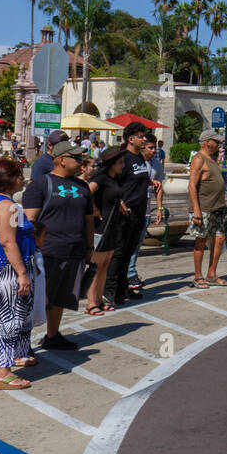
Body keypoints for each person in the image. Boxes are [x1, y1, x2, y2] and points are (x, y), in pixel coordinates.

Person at [22, 141, 94, 350]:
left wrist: (89, 248)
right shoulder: (41, 184)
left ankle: (52, 335)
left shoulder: (82, 186)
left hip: (74, 250)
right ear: (61, 160)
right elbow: (30, 221)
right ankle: (23, 341)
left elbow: (88, 220)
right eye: (76, 157)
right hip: (47, 252)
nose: (81, 162)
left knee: (61, 298)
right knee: (38, 299)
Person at [0, 159, 38, 390]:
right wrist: (22, 273)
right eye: (19, 175)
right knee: (9, 319)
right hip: (8, 268)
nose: (22, 178)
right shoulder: (9, 206)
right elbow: (8, 241)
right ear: (10, 179)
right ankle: (3, 372)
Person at [105, 122, 154, 305]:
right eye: (141, 136)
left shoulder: (140, 158)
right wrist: (119, 202)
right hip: (125, 214)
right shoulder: (122, 158)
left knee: (129, 253)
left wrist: (151, 183)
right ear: (130, 139)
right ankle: (110, 291)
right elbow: (111, 183)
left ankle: (123, 289)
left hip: (139, 213)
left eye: (144, 136)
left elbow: (137, 181)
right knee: (119, 253)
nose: (144, 139)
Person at [84, 146, 129, 315]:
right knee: (96, 267)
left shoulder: (113, 179)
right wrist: (95, 209)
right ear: (111, 163)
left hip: (112, 227)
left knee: (104, 267)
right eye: (120, 162)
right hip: (99, 228)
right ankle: (90, 304)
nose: (123, 165)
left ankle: (99, 300)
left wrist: (121, 203)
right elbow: (86, 193)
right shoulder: (101, 177)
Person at [187, 128, 227, 287]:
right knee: (201, 241)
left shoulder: (211, 159)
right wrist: (196, 211)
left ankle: (212, 274)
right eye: (216, 141)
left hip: (217, 208)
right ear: (207, 142)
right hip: (203, 208)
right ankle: (198, 276)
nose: (219, 143)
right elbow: (192, 185)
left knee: (219, 240)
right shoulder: (199, 159)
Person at [125, 133, 164, 293]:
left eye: (155, 147)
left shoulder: (156, 164)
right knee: (128, 244)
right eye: (150, 147)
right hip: (131, 208)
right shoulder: (135, 162)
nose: (154, 151)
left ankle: (130, 273)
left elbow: (159, 187)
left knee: (137, 243)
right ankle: (128, 273)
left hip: (146, 209)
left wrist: (159, 208)